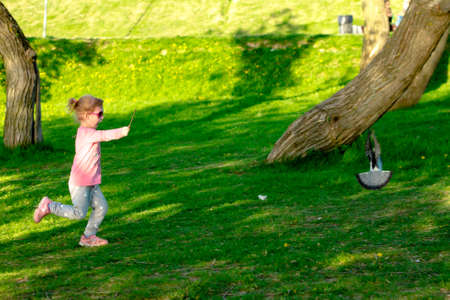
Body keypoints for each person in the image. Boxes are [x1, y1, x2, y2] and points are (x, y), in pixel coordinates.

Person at [33, 95, 130, 247]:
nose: (102, 118)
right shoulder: (86, 133)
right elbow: (104, 135)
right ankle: (49, 206)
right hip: (81, 183)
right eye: (99, 114)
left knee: (102, 207)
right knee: (79, 213)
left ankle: (88, 237)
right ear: (85, 115)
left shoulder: (88, 132)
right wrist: (121, 132)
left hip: (91, 182)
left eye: (102, 113)